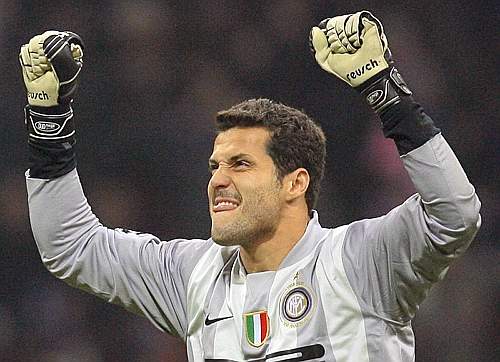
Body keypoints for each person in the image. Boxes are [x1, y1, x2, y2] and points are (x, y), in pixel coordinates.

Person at [20, 11, 481, 362]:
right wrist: (48, 123)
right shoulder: (193, 276)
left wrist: (386, 92)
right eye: (215, 165)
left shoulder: (360, 260)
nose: (218, 179)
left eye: (240, 164)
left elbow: (454, 214)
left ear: (294, 183)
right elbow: (71, 245)